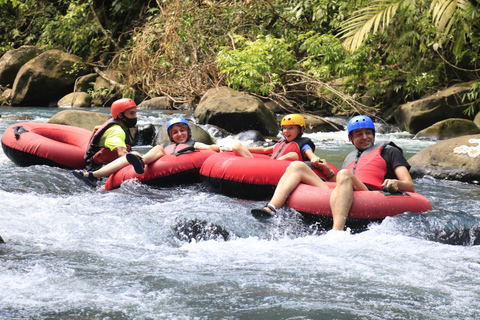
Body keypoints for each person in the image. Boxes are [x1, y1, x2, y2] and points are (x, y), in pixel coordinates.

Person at [251, 115, 415, 231]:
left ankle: (337, 231)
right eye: (359, 134)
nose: (365, 137)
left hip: (369, 194)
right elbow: (341, 183)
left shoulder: (390, 151)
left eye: (368, 133)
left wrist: (396, 184)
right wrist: (328, 172)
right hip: (345, 190)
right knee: (296, 166)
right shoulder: (351, 157)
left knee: (344, 174)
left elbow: (409, 185)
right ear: (351, 138)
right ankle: (271, 208)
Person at [73, 116, 225, 187]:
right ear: (171, 136)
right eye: (175, 133)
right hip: (161, 160)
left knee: (157, 148)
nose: (179, 134)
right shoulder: (169, 146)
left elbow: (208, 149)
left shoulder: (194, 143)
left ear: (188, 132)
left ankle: (141, 162)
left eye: (182, 131)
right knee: (134, 156)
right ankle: (96, 176)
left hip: (178, 162)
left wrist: (220, 149)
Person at [231, 114, 322, 164]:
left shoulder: (303, 145)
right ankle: (258, 167)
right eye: (284, 128)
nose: (286, 131)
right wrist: (244, 149)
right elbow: (264, 149)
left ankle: (264, 167)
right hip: (270, 166)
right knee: (237, 146)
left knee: (293, 155)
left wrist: (314, 158)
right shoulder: (281, 143)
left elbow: (310, 154)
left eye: (291, 128)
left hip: (283, 170)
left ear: (301, 129)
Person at [84, 98, 138, 171]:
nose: (135, 117)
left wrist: (88, 149)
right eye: (131, 113)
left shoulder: (115, 124)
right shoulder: (117, 131)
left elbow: (96, 128)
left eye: (135, 113)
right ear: (120, 115)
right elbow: (122, 152)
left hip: (92, 160)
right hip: (97, 169)